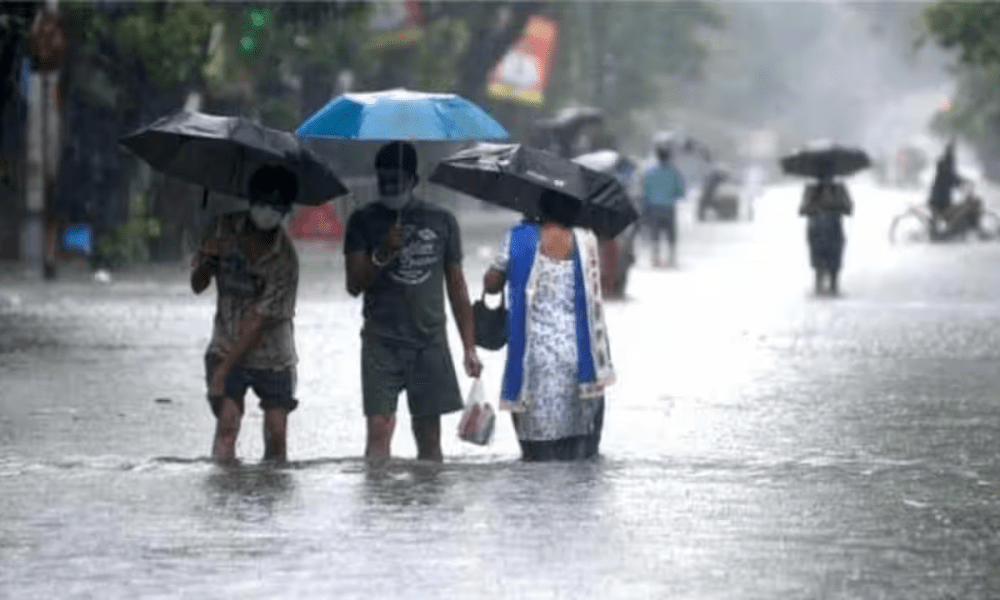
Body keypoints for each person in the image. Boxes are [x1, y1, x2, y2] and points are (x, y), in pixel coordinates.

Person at [344, 141, 482, 464]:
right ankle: (377, 502)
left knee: (429, 436)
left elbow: (457, 286)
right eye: (384, 181)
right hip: (381, 341)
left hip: (428, 342)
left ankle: (427, 508)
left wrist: (469, 347)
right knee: (379, 428)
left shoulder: (442, 221)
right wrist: (382, 253)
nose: (389, 188)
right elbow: (353, 285)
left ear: (413, 181)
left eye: (396, 181)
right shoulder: (362, 221)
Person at [482, 189, 616, 461]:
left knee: (536, 457)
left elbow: (491, 285)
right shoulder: (586, 240)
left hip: (535, 362)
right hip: (582, 360)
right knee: (581, 456)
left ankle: (538, 503)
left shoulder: (519, 238)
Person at [190, 165, 300, 463]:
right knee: (228, 424)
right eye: (263, 202)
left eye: (276, 206)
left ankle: (270, 493)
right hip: (225, 341)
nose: (267, 211)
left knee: (277, 434)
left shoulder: (285, 258)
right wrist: (208, 260)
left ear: (285, 210)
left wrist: (222, 372)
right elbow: (197, 285)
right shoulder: (220, 228)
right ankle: (225, 490)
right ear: (251, 200)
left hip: (273, 353)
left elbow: (257, 321)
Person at [799, 170, 853, 295]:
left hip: (821, 228)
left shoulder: (814, 188)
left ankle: (826, 286)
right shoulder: (835, 188)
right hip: (826, 228)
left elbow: (802, 210)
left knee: (825, 259)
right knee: (828, 258)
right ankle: (828, 287)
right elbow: (849, 208)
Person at [641, 143, 686, 267]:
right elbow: (681, 191)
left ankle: (655, 259)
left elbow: (645, 190)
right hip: (669, 207)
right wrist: (672, 197)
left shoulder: (650, 172)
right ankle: (671, 259)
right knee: (670, 234)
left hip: (653, 207)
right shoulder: (674, 172)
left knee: (654, 234)